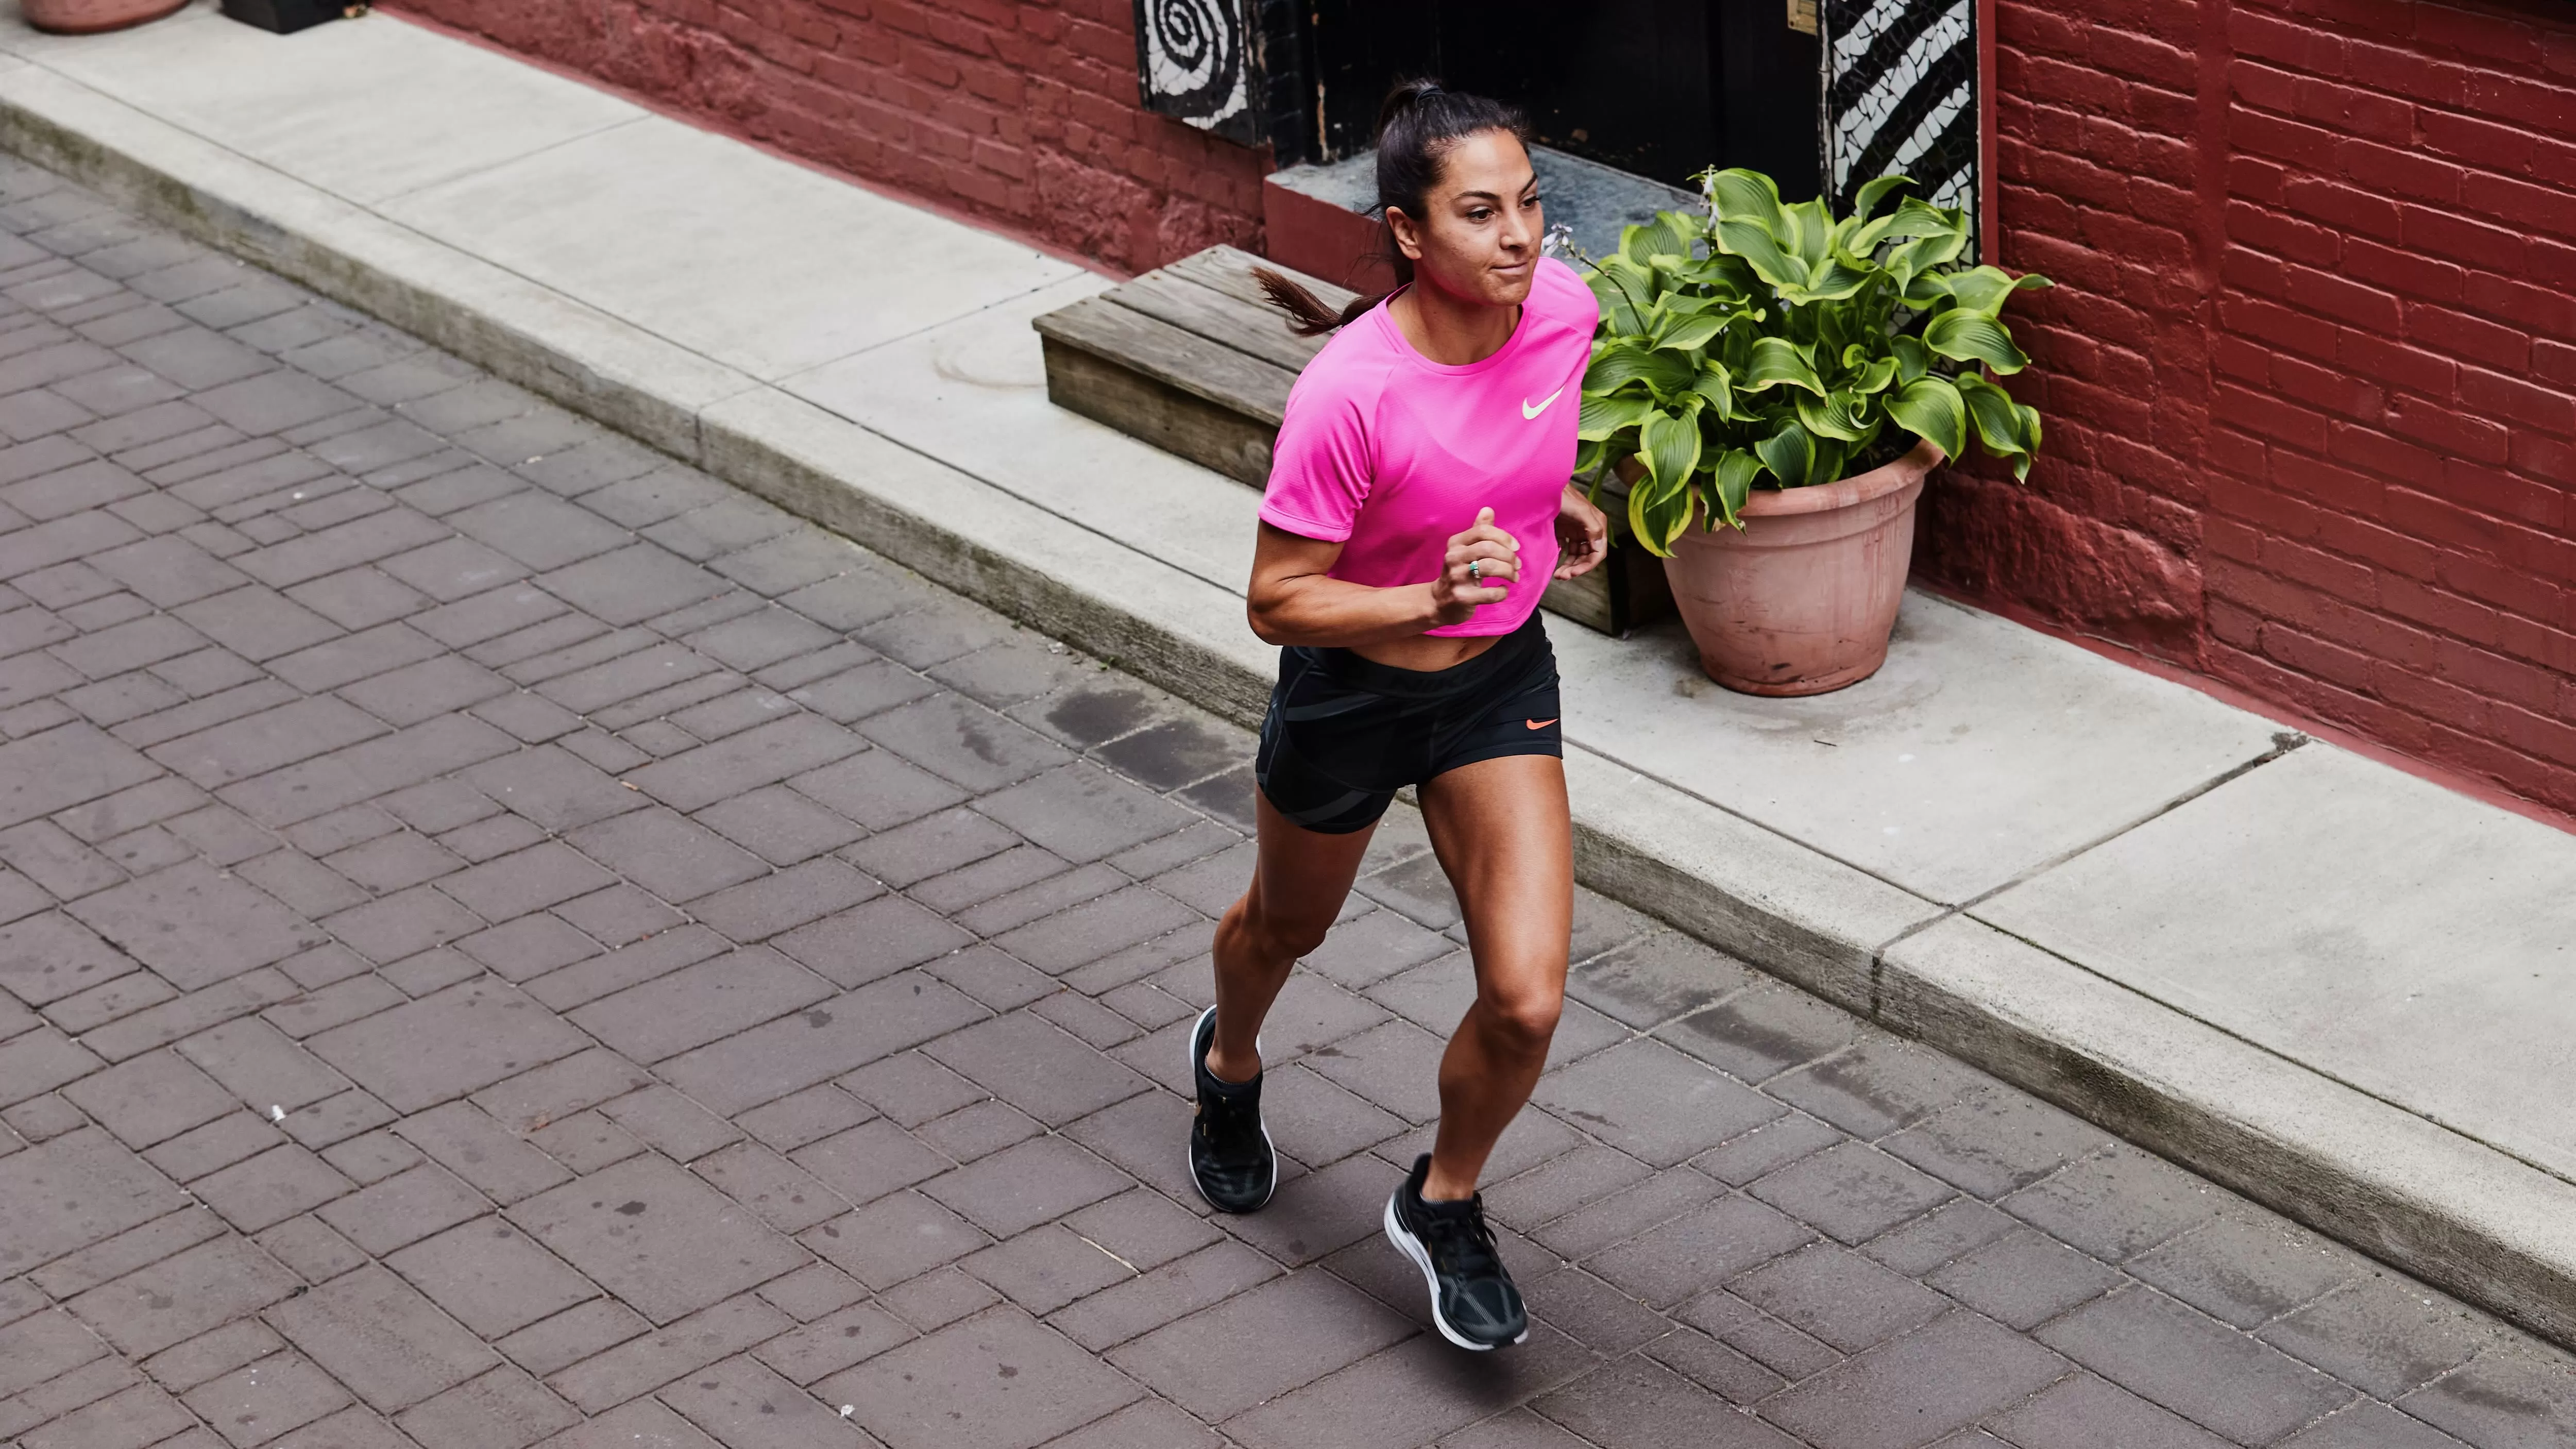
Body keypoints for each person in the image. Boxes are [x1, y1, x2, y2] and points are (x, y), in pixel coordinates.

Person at [1184, 78, 1608, 1352]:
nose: (1519, 235)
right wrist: (1426, 593)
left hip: (1495, 682)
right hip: (1352, 696)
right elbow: (1274, 601)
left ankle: (1443, 1199)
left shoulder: (1564, 312)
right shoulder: (1347, 395)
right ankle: (1229, 1065)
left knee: (1526, 998)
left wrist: (1554, 498)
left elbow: (1513, 435)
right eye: (1480, 213)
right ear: (1409, 232)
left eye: (1528, 202)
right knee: (1284, 927)